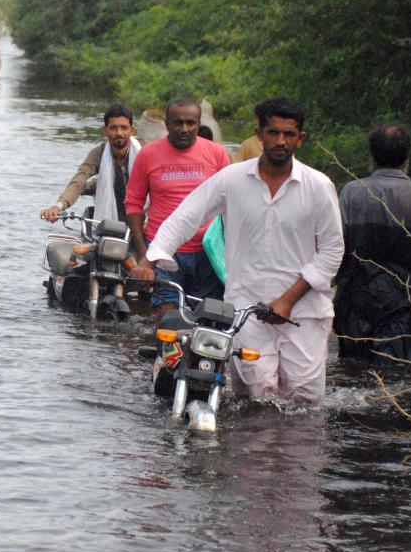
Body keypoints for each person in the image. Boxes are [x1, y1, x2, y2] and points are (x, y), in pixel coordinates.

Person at [136, 97, 344, 407]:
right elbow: (186, 216)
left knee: (304, 403)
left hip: (304, 312)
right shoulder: (232, 180)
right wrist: (150, 258)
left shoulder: (318, 186)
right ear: (259, 134)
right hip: (248, 310)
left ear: (301, 138)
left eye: (289, 134)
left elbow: (332, 250)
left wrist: (287, 301)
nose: (280, 141)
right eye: (273, 133)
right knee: (254, 399)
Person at [334, 123, 411, 366]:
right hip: (406, 302)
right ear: (406, 157)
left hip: (357, 302)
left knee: (354, 371)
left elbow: (338, 250)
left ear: (372, 156)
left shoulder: (351, 193)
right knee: (402, 374)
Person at [126, 99, 231, 318]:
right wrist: (144, 254)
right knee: (168, 318)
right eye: (178, 123)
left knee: (211, 318)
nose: (184, 129)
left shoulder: (217, 154)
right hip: (164, 252)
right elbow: (134, 204)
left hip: (208, 253)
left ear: (199, 124)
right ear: (166, 124)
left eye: (190, 123)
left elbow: (232, 204)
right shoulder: (147, 154)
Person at [41, 104, 141, 224]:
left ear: (132, 130)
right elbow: (79, 180)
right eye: (113, 128)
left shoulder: (144, 152)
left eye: (124, 128)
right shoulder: (99, 153)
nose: (119, 133)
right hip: (111, 219)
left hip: (142, 218)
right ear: (105, 130)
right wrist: (57, 207)